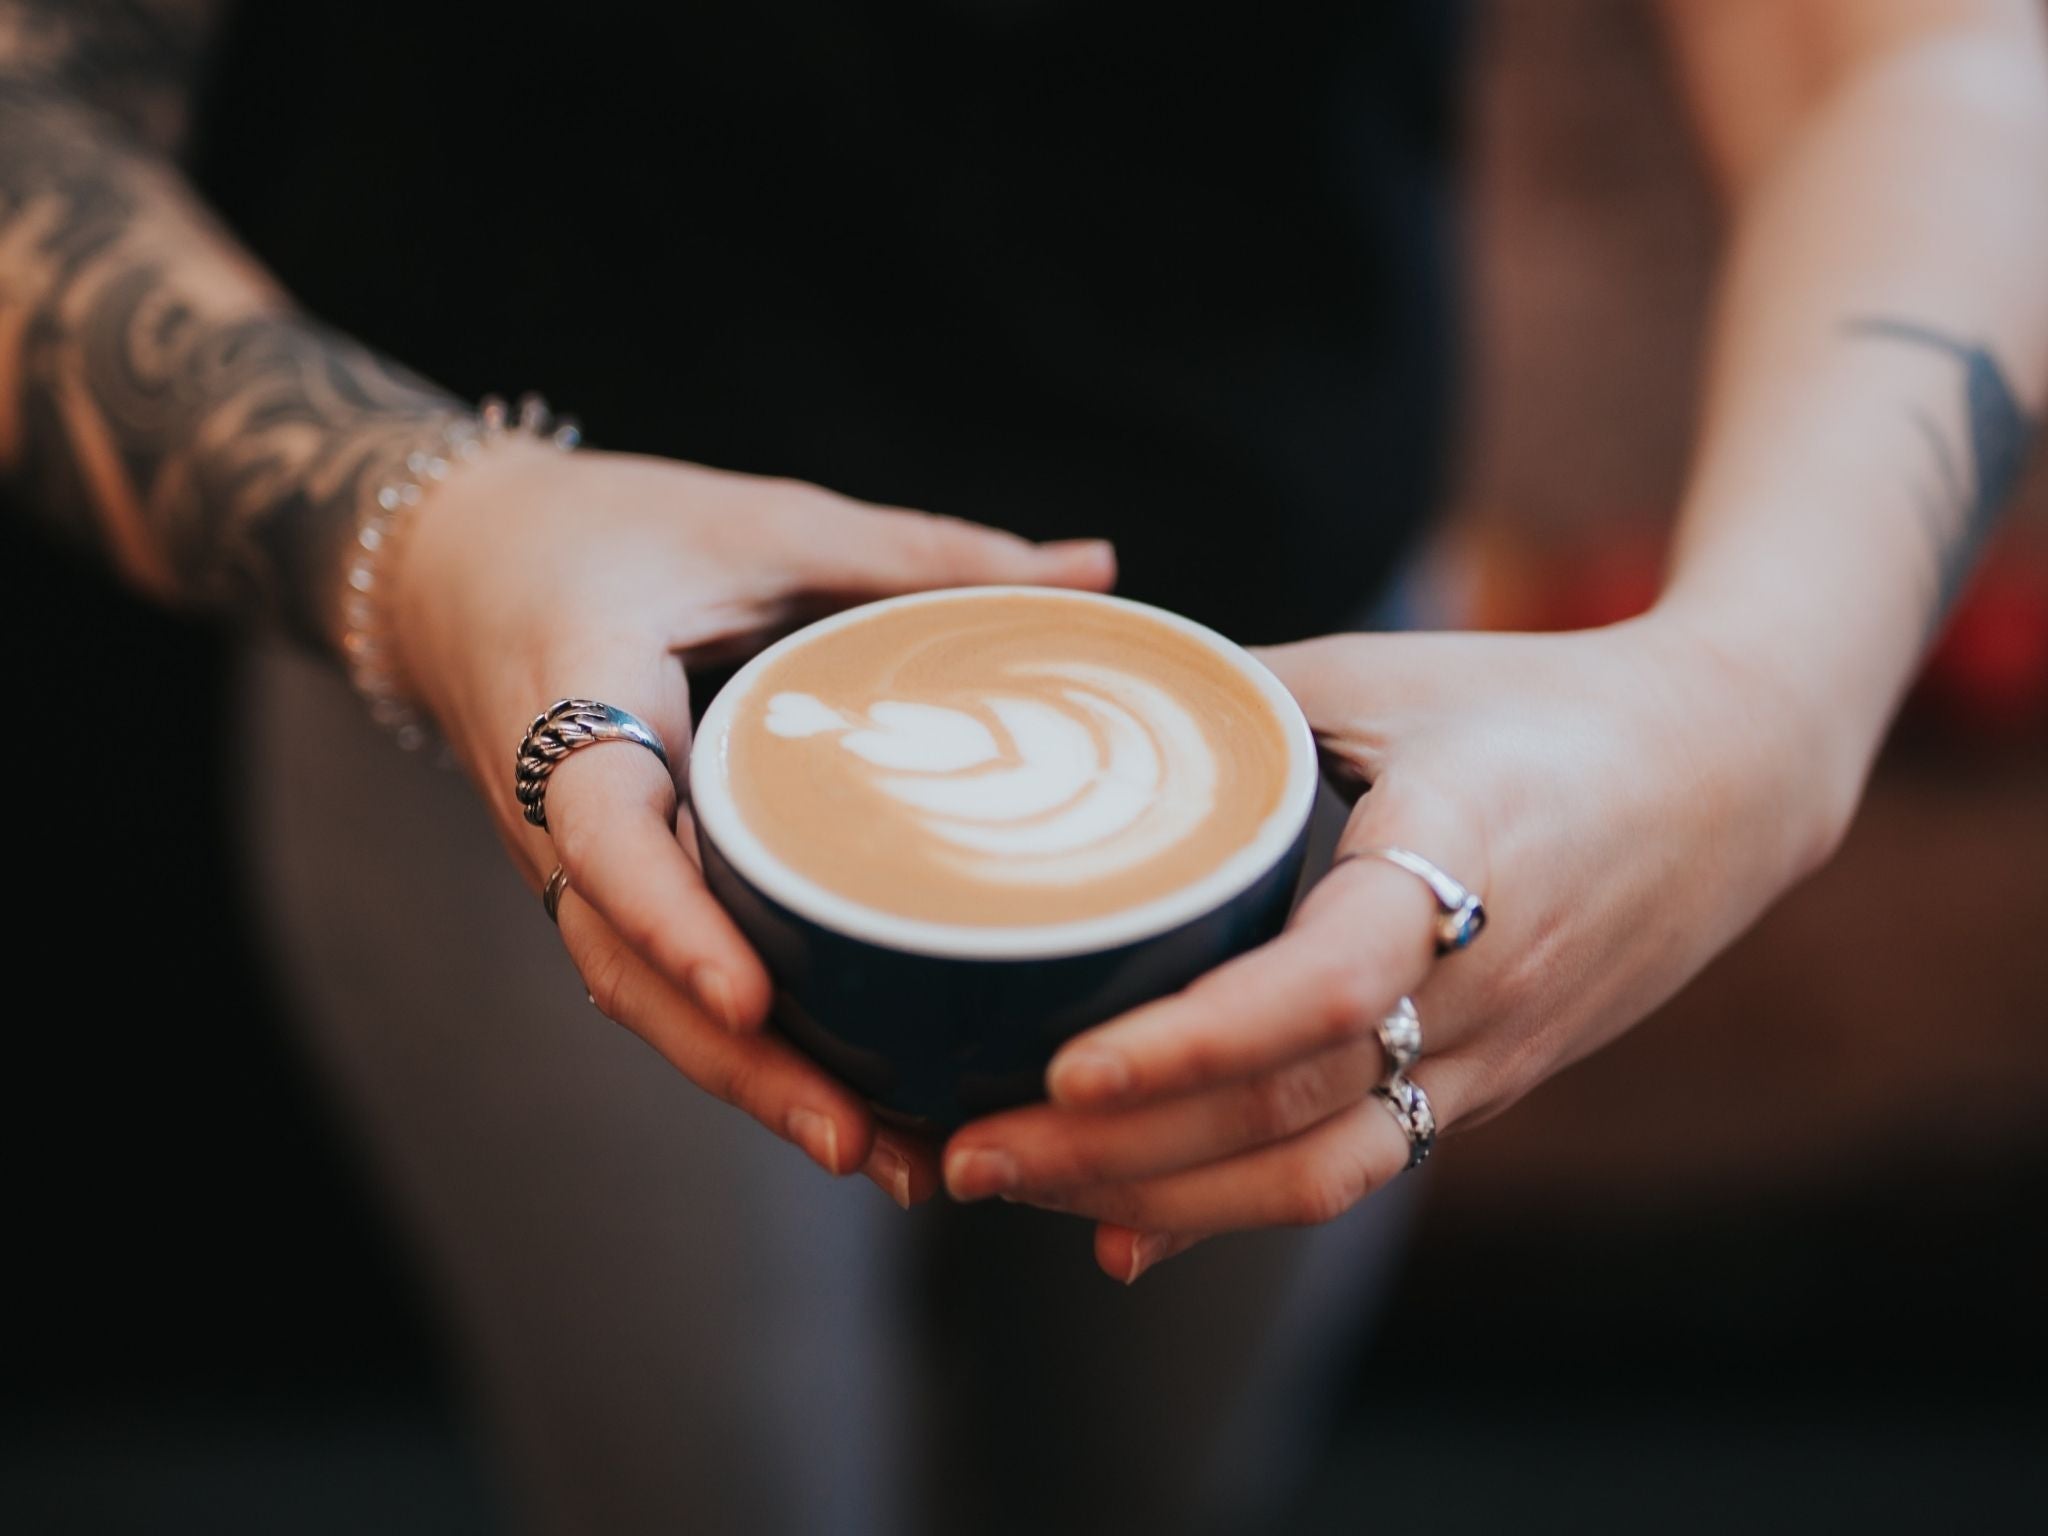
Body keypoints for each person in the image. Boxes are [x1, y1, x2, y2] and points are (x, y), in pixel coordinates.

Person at [4, 1, 2043, 1531]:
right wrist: (420, 533)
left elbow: (1911, 56)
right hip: (515, 688)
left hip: (1315, 732)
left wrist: (1771, 698)